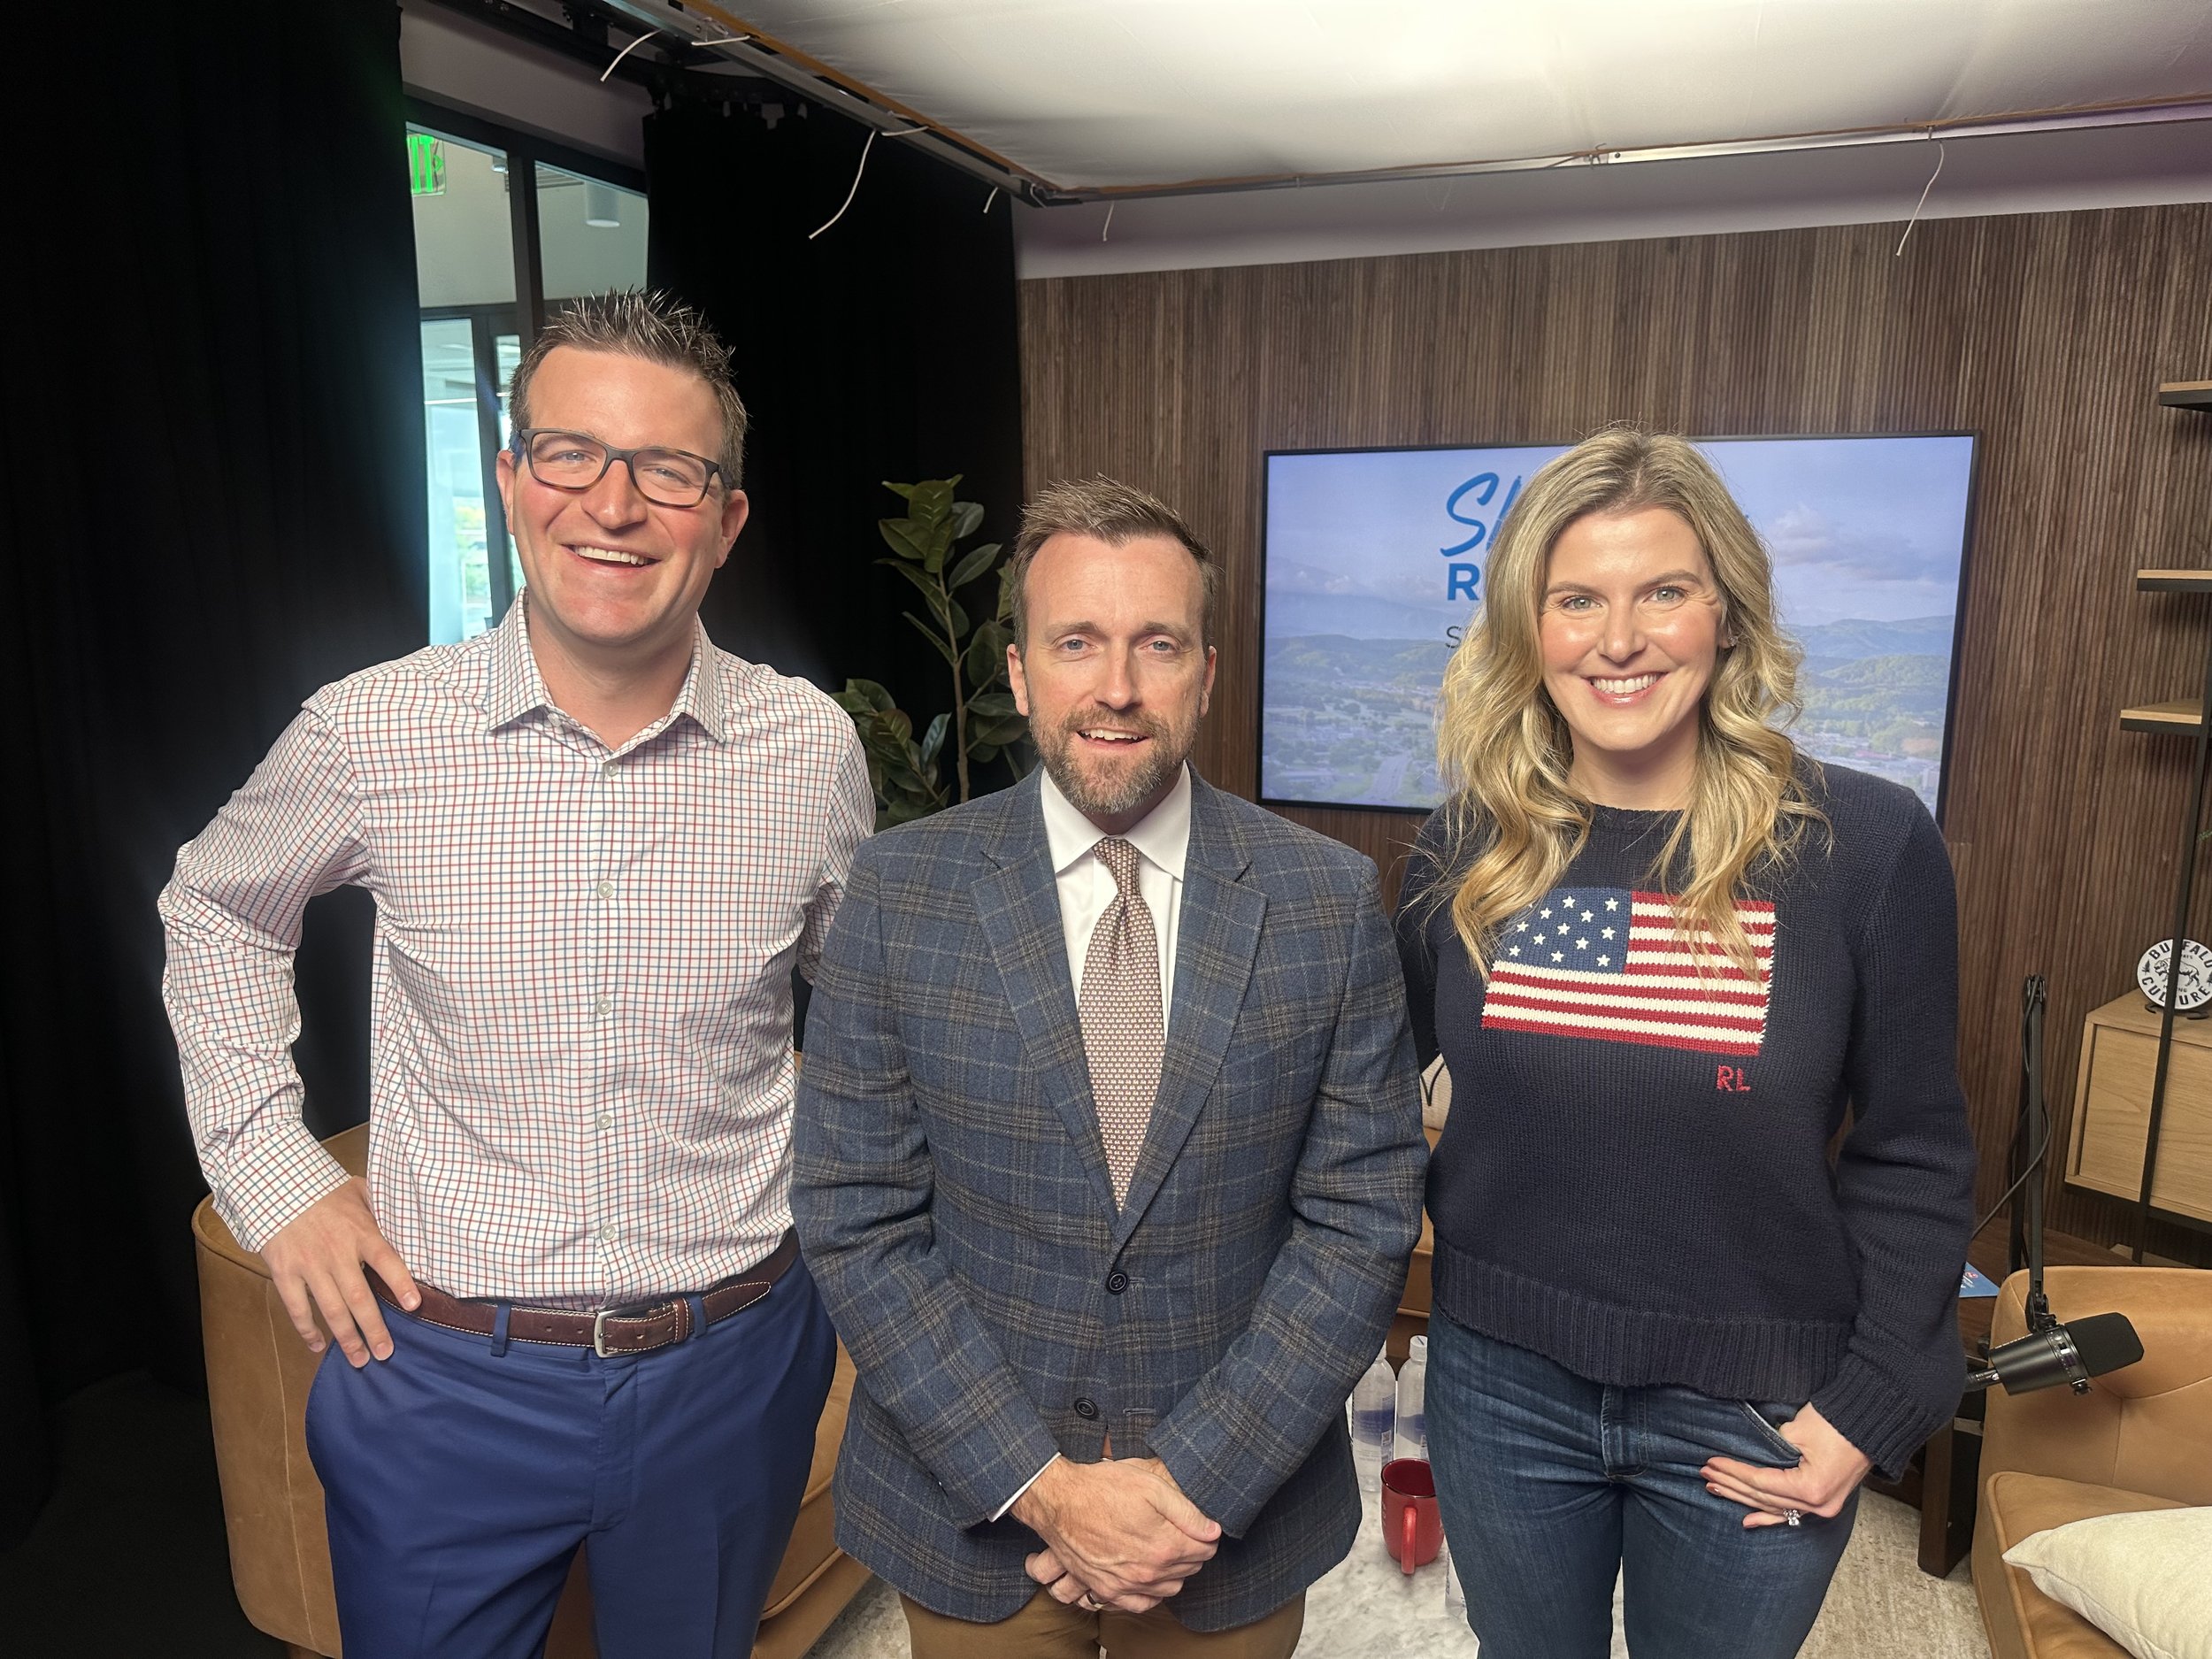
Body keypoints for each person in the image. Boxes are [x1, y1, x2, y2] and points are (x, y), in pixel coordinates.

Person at [160, 290, 872, 1658]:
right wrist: (274, 1173)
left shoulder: (811, 749)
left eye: (670, 470)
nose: (614, 505)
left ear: (725, 519)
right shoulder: (372, 731)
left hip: (736, 1362)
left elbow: (860, 1010)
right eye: (570, 454)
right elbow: (217, 909)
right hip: (437, 1374)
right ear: (510, 478)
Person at [790, 476, 1427, 1658]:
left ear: (1208, 671)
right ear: (1022, 670)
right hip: (979, 1521)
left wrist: (1190, 1489)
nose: (1117, 687)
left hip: (1222, 1534)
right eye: (1076, 642)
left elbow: (1359, 1221)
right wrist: (1044, 1487)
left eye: (1158, 644)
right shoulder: (901, 891)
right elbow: (857, 1216)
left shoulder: (1326, 900)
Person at [1394, 428, 1977, 1659]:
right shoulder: (1462, 849)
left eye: (1664, 591)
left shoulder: (1863, 849)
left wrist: (1869, 1407)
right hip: (1501, 1393)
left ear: (1727, 615)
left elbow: (1918, 1154)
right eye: (1577, 600)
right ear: (1526, 628)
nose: (1620, 638)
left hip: (1755, 1406)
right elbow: (1363, 1110)